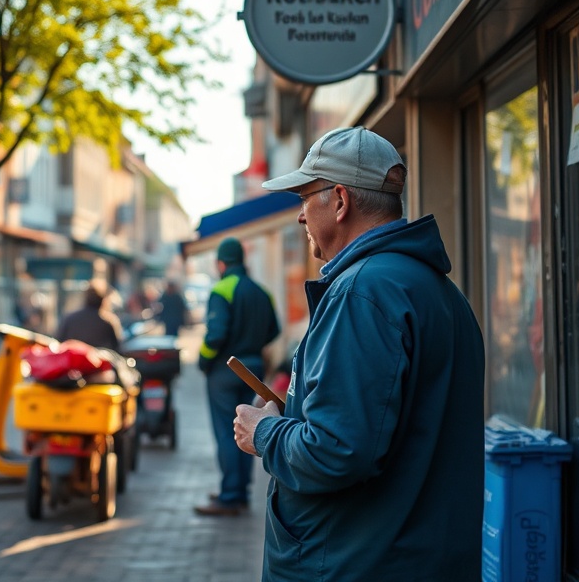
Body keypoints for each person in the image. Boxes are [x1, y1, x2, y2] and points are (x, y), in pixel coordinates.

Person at [234, 126, 485, 581]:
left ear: (341, 201)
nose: (300, 217)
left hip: (357, 562)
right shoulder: (438, 290)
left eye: (305, 198)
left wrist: (266, 433)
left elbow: (337, 451)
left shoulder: (362, 292)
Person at [194, 236, 280, 517]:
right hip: (253, 369)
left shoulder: (222, 289)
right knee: (248, 428)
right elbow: (274, 330)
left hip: (225, 369)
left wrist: (204, 360)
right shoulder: (261, 291)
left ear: (221, 263)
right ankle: (240, 490)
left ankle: (230, 496)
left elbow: (215, 335)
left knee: (227, 432)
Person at [57, 279, 124, 352]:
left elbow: (60, 344)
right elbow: (117, 349)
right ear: (103, 299)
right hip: (100, 362)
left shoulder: (70, 319)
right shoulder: (109, 322)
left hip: (72, 362)